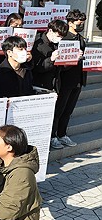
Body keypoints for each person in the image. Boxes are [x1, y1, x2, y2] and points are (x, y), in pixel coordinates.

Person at [49, 10, 87, 149]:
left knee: (68, 110)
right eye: (79, 23)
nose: (81, 25)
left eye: (83, 23)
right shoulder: (65, 39)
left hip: (78, 78)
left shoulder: (81, 38)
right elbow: (61, 62)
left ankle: (62, 134)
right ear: (70, 23)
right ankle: (53, 136)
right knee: (59, 109)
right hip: (65, 79)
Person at [31, 19, 67, 91]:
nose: (59, 39)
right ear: (50, 31)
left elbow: (62, 67)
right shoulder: (38, 44)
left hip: (54, 83)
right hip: (40, 85)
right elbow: (37, 67)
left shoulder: (58, 44)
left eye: (62, 37)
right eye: (58, 36)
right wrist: (51, 59)